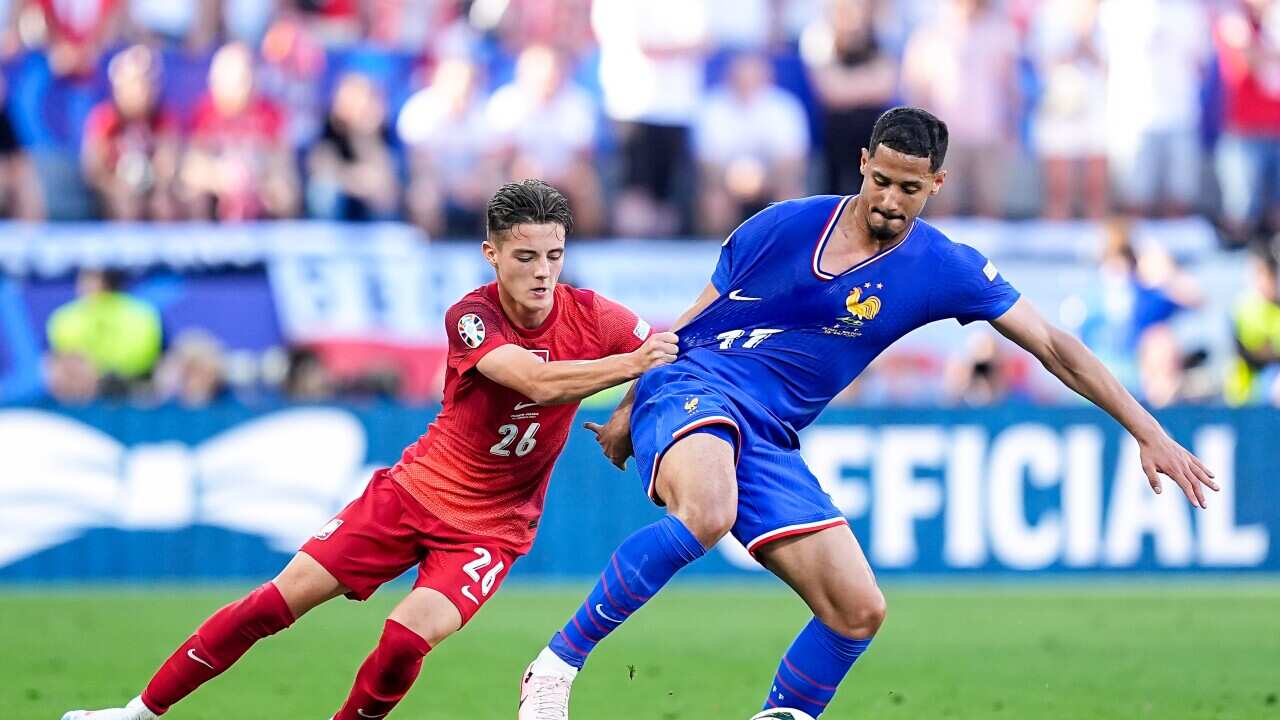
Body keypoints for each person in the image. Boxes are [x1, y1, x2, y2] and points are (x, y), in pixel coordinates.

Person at [517, 108, 1219, 720]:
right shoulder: (786, 227)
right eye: (880, 179)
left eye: (909, 188)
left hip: (772, 435)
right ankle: (553, 670)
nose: (888, 198)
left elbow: (1055, 347)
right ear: (863, 163)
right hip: (696, 385)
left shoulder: (945, 267)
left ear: (935, 187)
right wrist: (631, 404)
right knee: (707, 511)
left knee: (857, 611)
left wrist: (1148, 430)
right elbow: (693, 321)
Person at [60, 179, 680, 720]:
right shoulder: (472, 316)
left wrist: (628, 409)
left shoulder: (591, 315)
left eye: (554, 255)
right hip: (411, 495)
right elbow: (536, 380)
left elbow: (671, 354)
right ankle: (137, 712)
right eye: (525, 256)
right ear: (491, 255)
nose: (543, 271)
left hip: (491, 529)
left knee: (406, 641)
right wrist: (629, 365)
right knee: (275, 603)